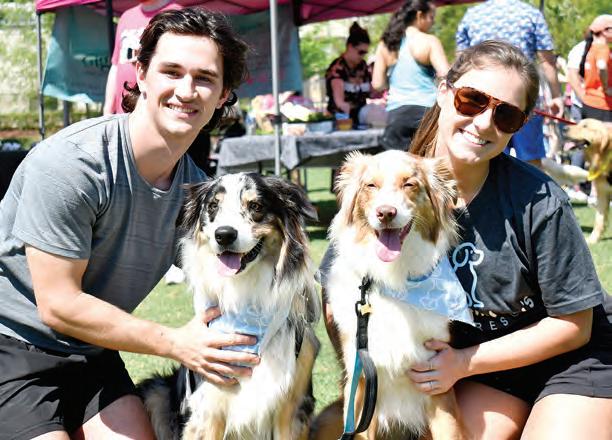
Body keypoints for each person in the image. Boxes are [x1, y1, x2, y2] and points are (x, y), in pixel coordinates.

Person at [320, 40, 612, 438]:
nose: (484, 123)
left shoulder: (539, 200)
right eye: (472, 100)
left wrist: (463, 363)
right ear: (444, 91)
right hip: (488, 373)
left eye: (505, 114)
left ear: (520, 125)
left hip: (573, 361)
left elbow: (575, 326)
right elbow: (337, 302)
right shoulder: (390, 180)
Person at [0, 8, 256, 439]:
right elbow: (58, 304)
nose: (186, 90)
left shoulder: (198, 194)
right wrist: (176, 342)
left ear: (223, 94)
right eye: (171, 71)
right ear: (140, 73)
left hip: (90, 350)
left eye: (204, 78)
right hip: (11, 343)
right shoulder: (75, 163)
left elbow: (239, 276)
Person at [455, 0, 564, 168]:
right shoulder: (531, 14)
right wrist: (556, 96)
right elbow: (547, 62)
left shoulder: (472, 15)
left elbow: (460, 61)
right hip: (522, 100)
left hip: (482, 101)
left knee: (485, 158)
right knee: (531, 160)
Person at [372, 0, 449, 150]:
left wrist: (394, 80)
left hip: (397, 115)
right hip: (428, 112)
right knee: (428, 162)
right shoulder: (429, 41)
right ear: (419, 15)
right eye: (431, 17)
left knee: (398, 164)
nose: (432, 22)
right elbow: (446, 75)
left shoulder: (386, 44)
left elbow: (377, 84)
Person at [103, 0, 181, 116]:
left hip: (158, 114)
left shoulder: (177, 14)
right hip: (123, 113)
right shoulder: (126, 16)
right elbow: (116, 66)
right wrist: (108, 108)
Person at [325, 22, 372, 128]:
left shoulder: (363, 66)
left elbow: (371, 92)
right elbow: (340, 103)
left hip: (361, 121)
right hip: (340, 121)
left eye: (365, 53)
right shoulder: (338, 68)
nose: (363, 56)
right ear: (350, 47)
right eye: (361, 52)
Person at [581, 14, 612, 122]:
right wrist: (605, 88)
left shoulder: (592, 48)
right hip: (602, 105)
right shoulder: (603, 48)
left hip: (588, 103)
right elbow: (602, 67)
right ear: (605, 31)